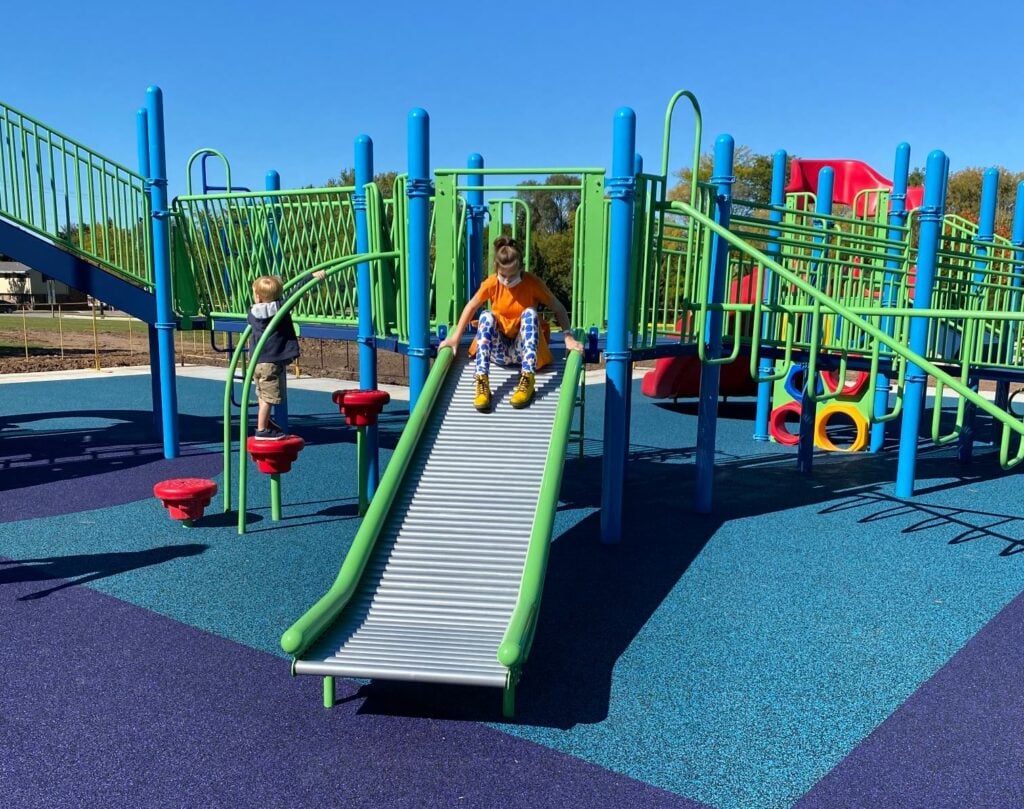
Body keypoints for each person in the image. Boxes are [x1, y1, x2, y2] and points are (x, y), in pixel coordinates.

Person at [440, 236, 583, 411]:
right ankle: (482, 381)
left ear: (520, 268)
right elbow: (471, 306)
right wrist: (455, 338)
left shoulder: (532, 283)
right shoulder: (492, 283)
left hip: (524, 353)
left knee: (530, 314)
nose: (507, 281)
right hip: (498, 352)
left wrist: (568, 336)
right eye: (503, 275)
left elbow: (558, 307)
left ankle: (527, 378)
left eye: (512, 275)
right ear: (496, 269)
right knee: (486, 316)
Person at [248, 270, 326, 439]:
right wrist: (310, 276)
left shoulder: (252, 312)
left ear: (258, 298)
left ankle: (265, 423)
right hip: (271, 363)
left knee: (262, 394)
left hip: (257, 361)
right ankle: (261, 429)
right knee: (269, 397)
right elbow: (296, 293)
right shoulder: (280, 308)